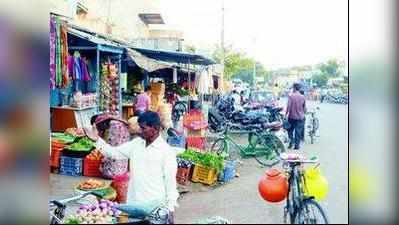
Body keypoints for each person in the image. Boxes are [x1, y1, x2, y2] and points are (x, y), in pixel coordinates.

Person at [93, 111, 178, 223]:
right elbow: (114, 153)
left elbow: (170, 183)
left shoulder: (166, 152)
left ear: (156, 128)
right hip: (134, 204)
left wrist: (170, 209)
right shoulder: (136, 144)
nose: (139, 131)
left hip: (155, 207)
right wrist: (96, 140)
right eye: (140, 127)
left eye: (143, 128)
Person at [285, 83, 307, 150]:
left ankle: (291, 142)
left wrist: (285, 115)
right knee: (298, 131)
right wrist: (303, 113)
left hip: (292, 117)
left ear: (294, 88)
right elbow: (304, 108)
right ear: (299, 89)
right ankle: (297, 146)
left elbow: (288, 106)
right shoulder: (303, 97)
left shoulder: (291, 96)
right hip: (300, 117)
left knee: (290, 130)